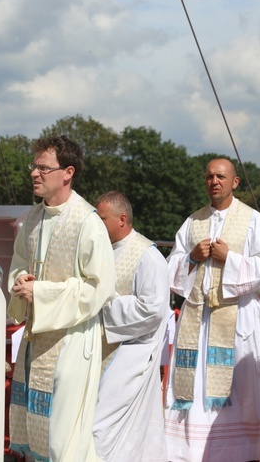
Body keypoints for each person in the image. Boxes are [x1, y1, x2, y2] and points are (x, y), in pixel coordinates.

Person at [7, 135, 115, 462]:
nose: (34, 174)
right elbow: (19, 265)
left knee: (64, 435)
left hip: (71, 340)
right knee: (36, 426)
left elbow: (99, 287)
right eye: (34, 166)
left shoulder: (88, 222)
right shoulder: (32, 218)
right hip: (36, 337)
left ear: (67, 173)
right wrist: (20, 281)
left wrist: (39, 292)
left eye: (43, 168)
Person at [165, 158, 260, 461]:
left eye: (221, 177)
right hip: (198, 320)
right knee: (196, 385)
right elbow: (171, 267)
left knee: (242, 387)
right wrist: (191, 257)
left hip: (237, 317)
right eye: (210, 176)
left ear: (234, 182)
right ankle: (191, 451)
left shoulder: (253, 220)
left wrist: (231, 258)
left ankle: (243, 451)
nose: (215, 181)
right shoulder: (192, 221)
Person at [92, 191, 169, 462]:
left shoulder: (148, 256)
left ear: (122, 219)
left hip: (130, 355)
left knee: (100, 426)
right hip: (100, 349)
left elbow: (154, 309)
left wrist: (101, 308)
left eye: (101, 218)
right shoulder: (98, 250)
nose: (95, 225)